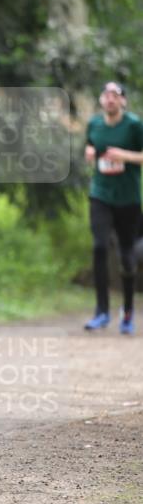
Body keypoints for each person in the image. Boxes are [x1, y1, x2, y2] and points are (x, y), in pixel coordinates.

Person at [84, 81, 143, 335]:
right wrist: (89, 151)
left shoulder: (134, 125)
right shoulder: (94, 125)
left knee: (127, 256)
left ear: (123, 101)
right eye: (105, 94)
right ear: (101, 101)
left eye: (115, 95)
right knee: (99, 246)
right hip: (100, 195)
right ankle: (101, 311)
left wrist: (124, 155)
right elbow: (91, 145)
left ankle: (127, 313)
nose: (109, 99)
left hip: (128, 199)